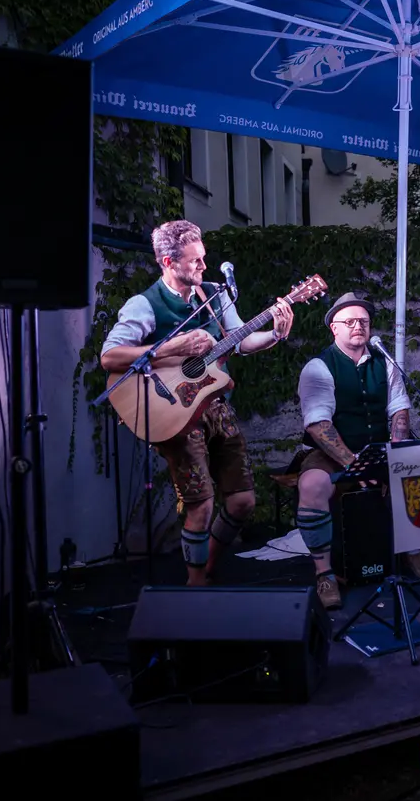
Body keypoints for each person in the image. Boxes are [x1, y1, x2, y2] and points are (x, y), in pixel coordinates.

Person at [100, 220, 293, 586]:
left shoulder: (214, 294)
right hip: (174, 414)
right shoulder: (144, 305)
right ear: (168, 263)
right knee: (201, 505)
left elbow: (240, 341)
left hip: (215, 403)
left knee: (243, 502)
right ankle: (195, 585)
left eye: (204, 259)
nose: (204, 267)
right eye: (195, 262)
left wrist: (275, 335)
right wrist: (169, 348)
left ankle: (209, 566)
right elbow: (110, 358)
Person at [294, 293, 420, 610]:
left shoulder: (384, 363)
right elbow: (319, 426)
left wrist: (398, 452)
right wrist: (357, 467)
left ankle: (414, 549)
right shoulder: (318, 367)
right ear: (335, 328)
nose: (358, 326)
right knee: (312, 485)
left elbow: (399, 411)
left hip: (375, 446)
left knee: (417, 466)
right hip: (330, 451)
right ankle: (324, 573)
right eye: (350, 321)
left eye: (363, 321)